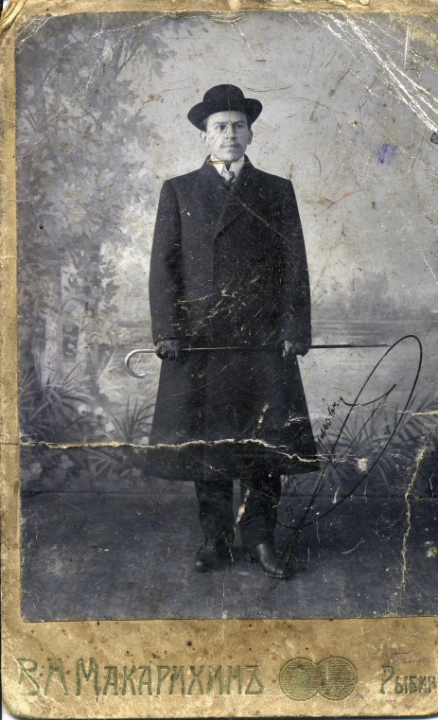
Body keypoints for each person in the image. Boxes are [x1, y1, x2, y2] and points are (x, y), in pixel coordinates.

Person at [146, 84, 318, 579]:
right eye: (219, 127)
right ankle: (216, 540)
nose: (229, 134)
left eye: (238, 126)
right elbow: (163, 268)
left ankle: (261, 540)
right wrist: (168, 331)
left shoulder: (277, 190)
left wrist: (294, 327)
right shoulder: (178, 190)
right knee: (210, 446)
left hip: (262, 340)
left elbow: (294, 266)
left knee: (265, 445)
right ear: (204, 135)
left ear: (250, 133)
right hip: (203, 341)